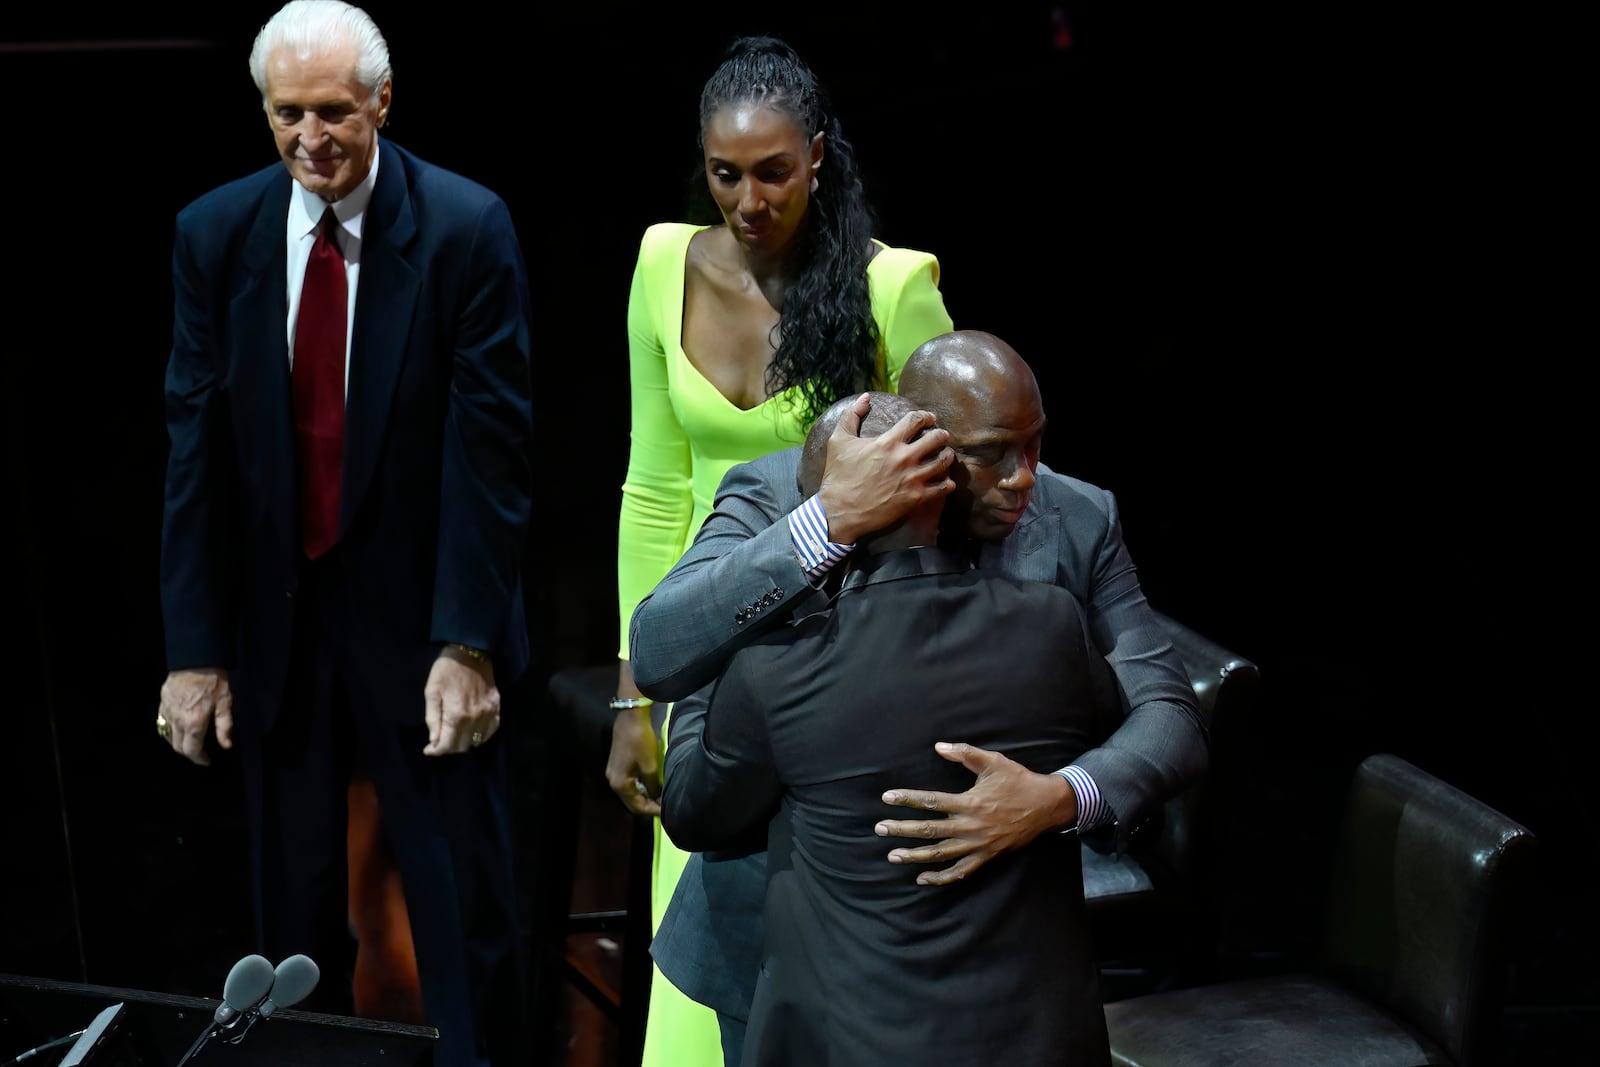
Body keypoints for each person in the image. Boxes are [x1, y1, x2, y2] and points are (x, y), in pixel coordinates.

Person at [637, 331, 1206, 1059]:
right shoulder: (786, 491)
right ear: (913, 436)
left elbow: (1169, 711)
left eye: (1034, 445)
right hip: (792, 959)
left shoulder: (1077, 518)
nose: (1024, 477)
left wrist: (1061, 795)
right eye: (992, 451)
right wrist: (827, 523)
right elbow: (661, 649)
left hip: (999, 963)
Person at [154, 3, 535, 1064]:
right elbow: (195, 451)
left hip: (424, 620)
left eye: (332, 111)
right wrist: (194, 652)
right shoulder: (214, 233)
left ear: (382, 100)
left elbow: (492, 455)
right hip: (281, 623)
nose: (310, 138)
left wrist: (467, 642)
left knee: (464, 916)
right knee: (294, 925)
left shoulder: (464, 227)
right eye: (287, 114)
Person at [608, 34, 955, 1066]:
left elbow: (952, 494)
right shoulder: (662, 262)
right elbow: (653, 488)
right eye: (726, 174)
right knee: (695, 956)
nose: (749, 200)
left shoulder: (893, 288)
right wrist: (639, 692)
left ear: (815, 156)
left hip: (839, 656)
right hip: (706, 653)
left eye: (772, 173)